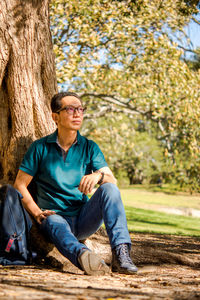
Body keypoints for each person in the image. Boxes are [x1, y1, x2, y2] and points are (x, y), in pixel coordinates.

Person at [14, 91, 138, 275]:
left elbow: (112, 181)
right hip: (54, 217)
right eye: (70, 109)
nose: (77, 113)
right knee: (55, 221)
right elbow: (19, 185)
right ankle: (86, 257)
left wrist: (98, 177)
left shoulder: (89, 147)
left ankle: (121, 254)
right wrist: (37, 212)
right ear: (55, 117)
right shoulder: (39, 147)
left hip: (83, 218)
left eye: (80, 109)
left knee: (109, 189)